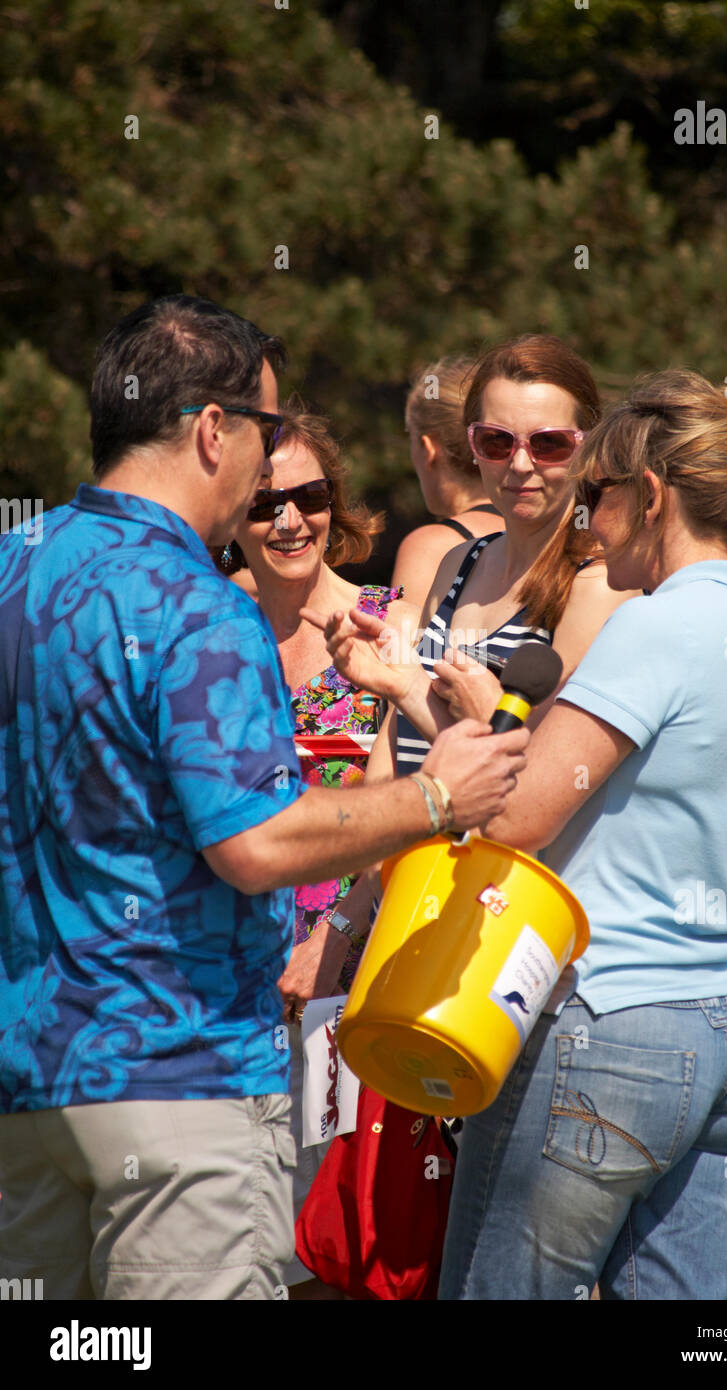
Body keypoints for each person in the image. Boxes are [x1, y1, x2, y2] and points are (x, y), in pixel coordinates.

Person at [0, 294, 529, 1301]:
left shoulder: (14, 568)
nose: (271, 460)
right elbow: (253, 843)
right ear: (211, 430)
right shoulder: (196, 602)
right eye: (267, 430)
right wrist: (435, 795)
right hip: (181, 1079)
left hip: (30, 1080)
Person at [316, 368, 727, 1299]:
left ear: (650, 497)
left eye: (598, 494)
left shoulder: (655, 629)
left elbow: (516, 816)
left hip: (613, 1034)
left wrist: (464, 710)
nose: (588, 524)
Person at [231, 404, 416, 1298]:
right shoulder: (201, 629)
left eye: (309, 496)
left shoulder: (388, 625)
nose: (290, 520)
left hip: (352, 967)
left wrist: (335, 934)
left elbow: (420, 807)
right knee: (234, 1224)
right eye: (267, 503)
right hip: (224, 974)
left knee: (336, 1235)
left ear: (336, 504)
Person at [310, 335, 641, 808]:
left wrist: (407, 686)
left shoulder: (597, 584)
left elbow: (537, 785)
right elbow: (394, 735)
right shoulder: (457, 562)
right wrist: (373, 871)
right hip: (412, 857)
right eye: (496, 442)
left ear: (585, 449)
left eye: (549, 444)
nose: (521, 464)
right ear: (471, 444)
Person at [391, 357, 504, 606]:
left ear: (429, 449)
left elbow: (401, 639)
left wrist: (358, 603)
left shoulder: (431, 546)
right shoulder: (538, 531)